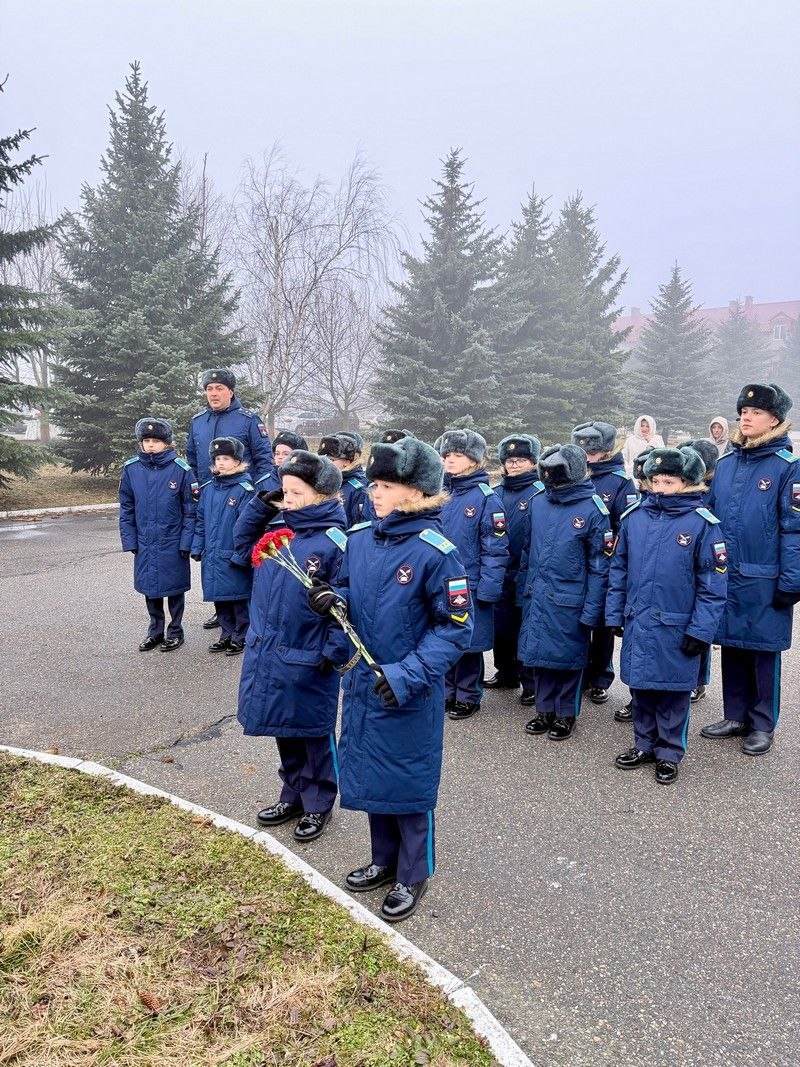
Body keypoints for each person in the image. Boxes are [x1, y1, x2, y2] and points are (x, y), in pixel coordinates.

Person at [307, 436, 473, 923]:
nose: (373, 493)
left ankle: (413, 872)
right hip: (364, 682)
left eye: (385, 486)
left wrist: (406, 674)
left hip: (407, 687)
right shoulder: (360, 538)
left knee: (408, 778)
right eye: (374, 484)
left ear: (418, 493)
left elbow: (456, 629)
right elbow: (351, 592)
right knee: (374, 772)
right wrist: (332, 599)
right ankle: (383, 859)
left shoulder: (436, 553)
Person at [234, 449, 349, 842]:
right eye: (285, 492)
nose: (288, 500)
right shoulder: (282, 531)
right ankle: (293, 793)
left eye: (297, 493)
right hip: (271, 649)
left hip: (308, 654)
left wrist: (330, 653)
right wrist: (260, 501)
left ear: (321, 495)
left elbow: (346, 604)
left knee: (313, 733)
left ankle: (318, 803)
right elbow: (239, 543)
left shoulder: (335, 541)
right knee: (284, 727)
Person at [606, 447, 728, 784]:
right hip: (639, 620)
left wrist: (701, 631)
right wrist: (615, 613)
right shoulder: (634, 518)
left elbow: (712, 585)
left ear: (686, 483)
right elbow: (618, 570)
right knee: (641, 687)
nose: (660, 487)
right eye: (655, 480)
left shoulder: (702, 524)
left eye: (669, 481)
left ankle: (669, 751)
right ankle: (644, 744)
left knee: (673, 693)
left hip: (677, 625)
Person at [702, 383, 800, 756]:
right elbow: (708, 520)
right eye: (743, 410)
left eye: (756, 412)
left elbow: (794, 528)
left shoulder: (787, 468)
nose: (746, 416)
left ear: (775, 420)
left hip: (765, 575)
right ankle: (735, 715)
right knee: (732, 644)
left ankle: (762, 723)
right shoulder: (725, 465)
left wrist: (792, 580)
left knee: (763, 652)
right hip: (727, 573)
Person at [517, 444, 613, 740]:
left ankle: (565, 714)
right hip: (539, 593)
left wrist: (593, 609)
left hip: (572, 598)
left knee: (569, 660)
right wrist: (524, 591)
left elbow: (600, 566)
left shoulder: (594, 510)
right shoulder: (538, 502)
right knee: (540, 656)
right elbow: (527, 550)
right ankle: (544, 709)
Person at [186, 368, 275, 631]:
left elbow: (264, 460)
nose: (213, 394)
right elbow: (193, 457)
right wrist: (200, 489)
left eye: (219, 389)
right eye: (209, 389)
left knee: (236, 555)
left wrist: (260, 497)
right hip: (210, 497)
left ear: (230, 391)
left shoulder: (247, 420)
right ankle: (221, 610)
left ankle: (244, 616)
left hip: (241, 498)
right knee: (214, 556)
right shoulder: (198, 421)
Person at [435, 428, 509, 719]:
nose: (450, 460)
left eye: (458, 455)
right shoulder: (439, 494)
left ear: (474, 460)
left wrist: (489, 589)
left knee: (468, 643)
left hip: (470, 583)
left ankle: (467, 693)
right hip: (440, 581)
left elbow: (496, 548)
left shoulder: (486, 499)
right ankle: (447, 690)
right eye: (447, 455)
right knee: (443, 638)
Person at [571, 420, 639, 704]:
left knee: (601, 624)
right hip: (575, 562)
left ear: (606, 451)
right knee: (575, 621)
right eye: (582, 450)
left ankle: (599, 677)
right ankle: (577, 673)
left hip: (606, 563)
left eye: (593, 452)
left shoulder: (621, 482)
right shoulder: (573, 475)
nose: (587, 457)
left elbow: (628, 524)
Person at [118, 418, 197, 652]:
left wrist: (186, 542)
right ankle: (155, 631)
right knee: (150, 589)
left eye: (156, 441)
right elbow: (127, 507)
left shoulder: (181, 470)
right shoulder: (132, 469)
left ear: (168, 444)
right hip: (145, 542)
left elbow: (191, 511)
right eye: (147, 441)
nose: (151, 445)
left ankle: (175, 630)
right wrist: (130, 539)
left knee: (174, 589)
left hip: (172, 543)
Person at [484, 433, 542, 706]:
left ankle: (529, 681)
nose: (514, 465)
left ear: (532, 463)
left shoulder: (539, 494)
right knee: (501, 626)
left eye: (520, 460)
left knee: (524, 628)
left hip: (525, 570)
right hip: (499, 570)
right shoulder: (495, 493)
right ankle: (505, 672)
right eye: (510, 460)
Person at [191, 437, 254, 655]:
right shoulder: (208, 488)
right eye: (218, 458)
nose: (221, 463)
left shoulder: (244, 489)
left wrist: (241, 555)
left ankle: (241, 635)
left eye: (226, 458)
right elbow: (201, 521)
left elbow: (248, 527)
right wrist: (197, 547)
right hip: (212, 555)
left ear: (237, 461)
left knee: (237, 599)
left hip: (232, 555)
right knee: (220, 599)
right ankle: (226, 634)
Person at [318, 431, 372, 527]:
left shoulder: (358, 488)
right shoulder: (320, 482)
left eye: (331, 460)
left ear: (346, 462)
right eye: (323, 459)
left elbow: (358, 524)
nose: (325, 464)